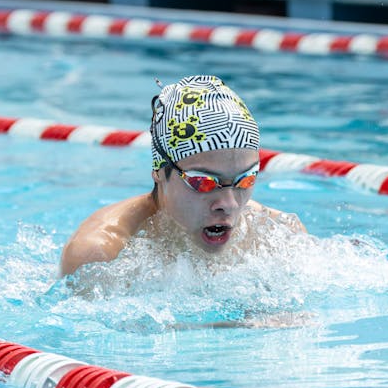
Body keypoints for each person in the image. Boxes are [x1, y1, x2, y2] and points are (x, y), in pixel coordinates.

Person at [60, 75, 303, 277]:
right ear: (158, 171)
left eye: (246, 180)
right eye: (204, 182)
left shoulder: (281, 236)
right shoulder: (101, 256)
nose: (229, 204)